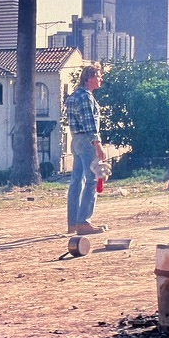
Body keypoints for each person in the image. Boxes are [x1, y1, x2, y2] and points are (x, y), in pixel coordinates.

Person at [65, 64, 108, 235]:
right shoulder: (86, 97)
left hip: (76, 139)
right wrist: (98, 144)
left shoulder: (74, 96)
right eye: (98, 76)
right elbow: (89, 122)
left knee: (76, 181)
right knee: (92, 179)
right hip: (87, 140)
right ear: (89, 78)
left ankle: (73, 223)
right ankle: (84, 222)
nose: (100, 79)